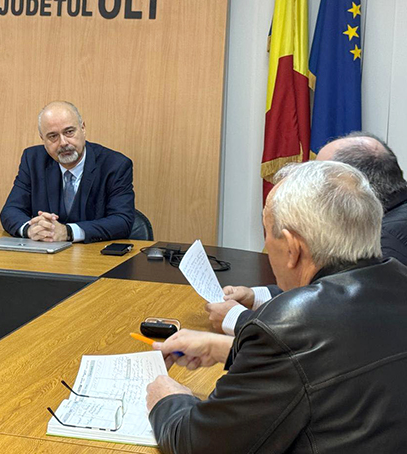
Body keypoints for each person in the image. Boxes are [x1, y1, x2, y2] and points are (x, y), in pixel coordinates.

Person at [145, 161, 407, 453]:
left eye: (267, 231)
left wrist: (167, 399)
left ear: (293, 249)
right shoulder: (397, 279)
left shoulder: (289, 324)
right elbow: (334, 364)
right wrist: (226, 349)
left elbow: (199, 445)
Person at [208, 132, 407, 335]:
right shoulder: (392, 218)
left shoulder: (386, 242)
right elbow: (333, 288)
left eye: (318, 179)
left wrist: (239, 321)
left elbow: (343, 325)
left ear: (349, 186)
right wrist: (258, 296)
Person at [0, 101, 135, 243]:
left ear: (83, 129)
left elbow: (122, 221)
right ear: (43, 139)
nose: (63, 142)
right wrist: (30, 229)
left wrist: (68, 232)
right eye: (53, 136)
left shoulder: (115, 165)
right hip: (44, 253)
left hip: (92, 253)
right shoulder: (33, 160)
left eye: (69, 132)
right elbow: (10, 210)